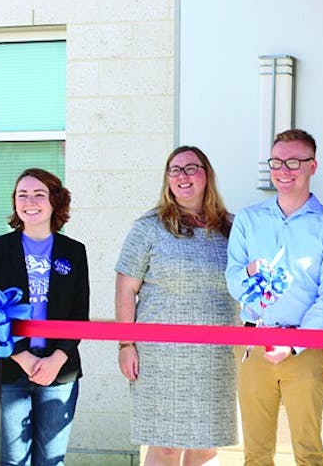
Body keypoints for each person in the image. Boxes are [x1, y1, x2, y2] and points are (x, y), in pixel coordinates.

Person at [226, 128, 323, 466]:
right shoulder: (249, 220)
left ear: (313, 166)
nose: (284, 170)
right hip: (253, 343)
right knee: (256, 452)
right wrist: (249, 274)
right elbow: (232, 278)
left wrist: (294, 343)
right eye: (277, 162)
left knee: (308, 451)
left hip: (304, 347)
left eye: (294, 162)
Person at [115, 146, 238, 466]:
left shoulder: (233, 228)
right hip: (160, 356)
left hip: (215, 355)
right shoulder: (148, 227)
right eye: (175, 170)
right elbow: (126, 288)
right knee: (165, 446)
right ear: (167, 179)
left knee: (206, 444)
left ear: (206, 175)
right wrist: (125, 344)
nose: (183, 176)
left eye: (191, 168)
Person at [0, 168, 90, 466]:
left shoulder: (74, 251)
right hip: (10, 370)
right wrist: (22, 356)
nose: (30, 201)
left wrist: (56, 360)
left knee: (51, 461)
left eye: (39, 194)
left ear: (55, 201)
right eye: (22, 194)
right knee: (14, 461)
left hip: (59, 371)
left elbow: (79, 316)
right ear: (15, 202)